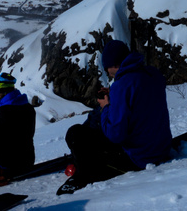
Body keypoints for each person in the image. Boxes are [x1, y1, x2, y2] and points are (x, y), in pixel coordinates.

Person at [57, 40, 171, 195]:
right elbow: (141, 101)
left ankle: (85, 171)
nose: (106, 71)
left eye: (107, 67)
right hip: (162, 148)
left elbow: (115, 134)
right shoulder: (153, 74)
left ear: (114, 64)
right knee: (98, 117)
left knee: (75, 133)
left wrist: (107, 107)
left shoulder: (122, 86)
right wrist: (115, 99)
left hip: (138, 158)